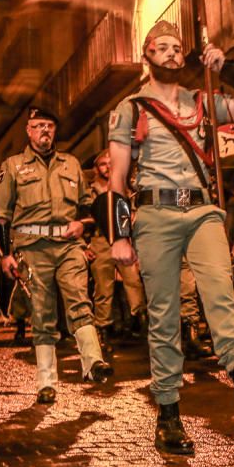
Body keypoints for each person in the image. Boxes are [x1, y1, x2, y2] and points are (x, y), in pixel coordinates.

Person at [107, 20, 234, 455]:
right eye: (161, 47)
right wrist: (120, 236)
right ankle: (168, 415)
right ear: (146, 54)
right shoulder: (129, 109)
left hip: (203, 209)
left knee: (221, 292)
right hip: (153, 213)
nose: (170, 53)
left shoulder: (204, 99)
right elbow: (116, 178)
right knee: (165, 315)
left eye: (176, 47)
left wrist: (228, 69)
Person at [0, 107, 112, 404]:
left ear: (55, 131)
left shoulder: (70, 164)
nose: (45, 131)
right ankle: (46, 380)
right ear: (28, 130)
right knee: (43, 313)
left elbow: (87, 206)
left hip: (69, 245)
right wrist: (6, 255)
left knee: (79, 298)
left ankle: (93, 362)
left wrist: (81, 223)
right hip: (33, 247)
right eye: (39, 125)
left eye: (50, 126)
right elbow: (1, 215)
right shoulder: (13, 166)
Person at [85, 149, 147, 349]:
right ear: (97, 167)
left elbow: (134, 212)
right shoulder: (90, 190)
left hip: (124, 238)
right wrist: (85, 245)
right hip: (100, 240)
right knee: (103, 289)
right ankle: (102, 332)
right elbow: (82, 216)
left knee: (134, 282)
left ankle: (142, 323)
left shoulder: (125, 187)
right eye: (102, 163)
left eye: (110, 163)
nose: (107, 167)